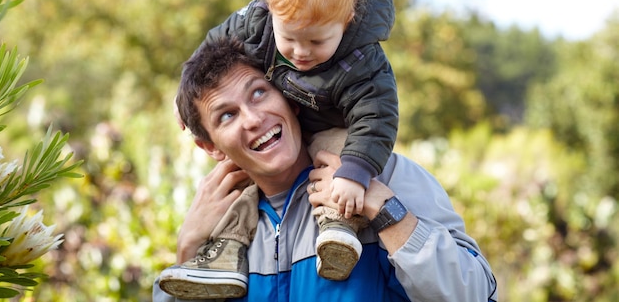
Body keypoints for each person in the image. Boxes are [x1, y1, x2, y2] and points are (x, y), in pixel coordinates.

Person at [154, 37, 498, 302]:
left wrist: (381, 206)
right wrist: (187, 251)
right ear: (210, 146)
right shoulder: (219, 229)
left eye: (259, 93)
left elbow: (475, 293)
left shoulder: (382, 174)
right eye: (227, 115)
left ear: (291, 98)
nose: (254, 119)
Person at [160, 0, 398, 298]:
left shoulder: (363, 61)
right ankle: (219, 255)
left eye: (317, 43)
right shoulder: (259, 22)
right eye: (290, 39)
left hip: (340, 135)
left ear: (346, 22)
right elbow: (214, 42)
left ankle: (338, 225)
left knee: (340, 154)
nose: (301, 53)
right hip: (299, 126)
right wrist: (189, 245)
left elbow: (376, 115)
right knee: (238, 189)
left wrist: (358, 174)